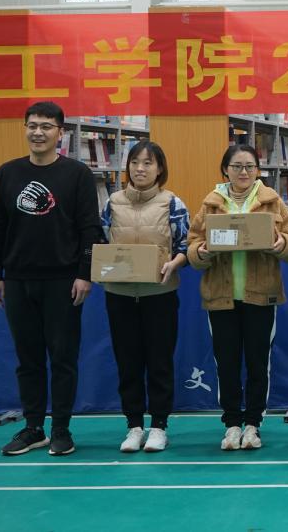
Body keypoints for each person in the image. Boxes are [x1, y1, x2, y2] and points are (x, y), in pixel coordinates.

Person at [0, 101, 103, 457]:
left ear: (60, 133)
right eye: (32, 125)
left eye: (46, 126)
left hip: (63, 282)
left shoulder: (77, 174)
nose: (38, 132)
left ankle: (61, 429)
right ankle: (34, 427)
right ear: (25, 128)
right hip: (18, 280)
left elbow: (90, 229)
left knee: (63, 358)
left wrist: (84, 274)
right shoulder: (7, 173)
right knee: (28, 359)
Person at [187, 144, 288, 451]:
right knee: (227, 362)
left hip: (261, 296)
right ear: (226, 170)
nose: (244, 172)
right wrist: (202, 252)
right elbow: (192, 245)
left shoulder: (272, 201)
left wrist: (281, 244)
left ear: (257, 170)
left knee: (258, 362)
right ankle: (232, 423)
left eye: (250, 166)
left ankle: (253, 423)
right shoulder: (211, 203)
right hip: (221, 296)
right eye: (237, 166)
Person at [100, 141, 190, 453]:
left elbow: (185, 245)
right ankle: (134, 426)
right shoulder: (112, 202)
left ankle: (159, 426)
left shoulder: (172, 203)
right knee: (128, 362)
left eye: (148, 163)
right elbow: (101, 242)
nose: (140, 168)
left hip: (160, 294)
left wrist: (175, 263)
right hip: (120, 295)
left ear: (160, 168)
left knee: (159, 362)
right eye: (135, 162)